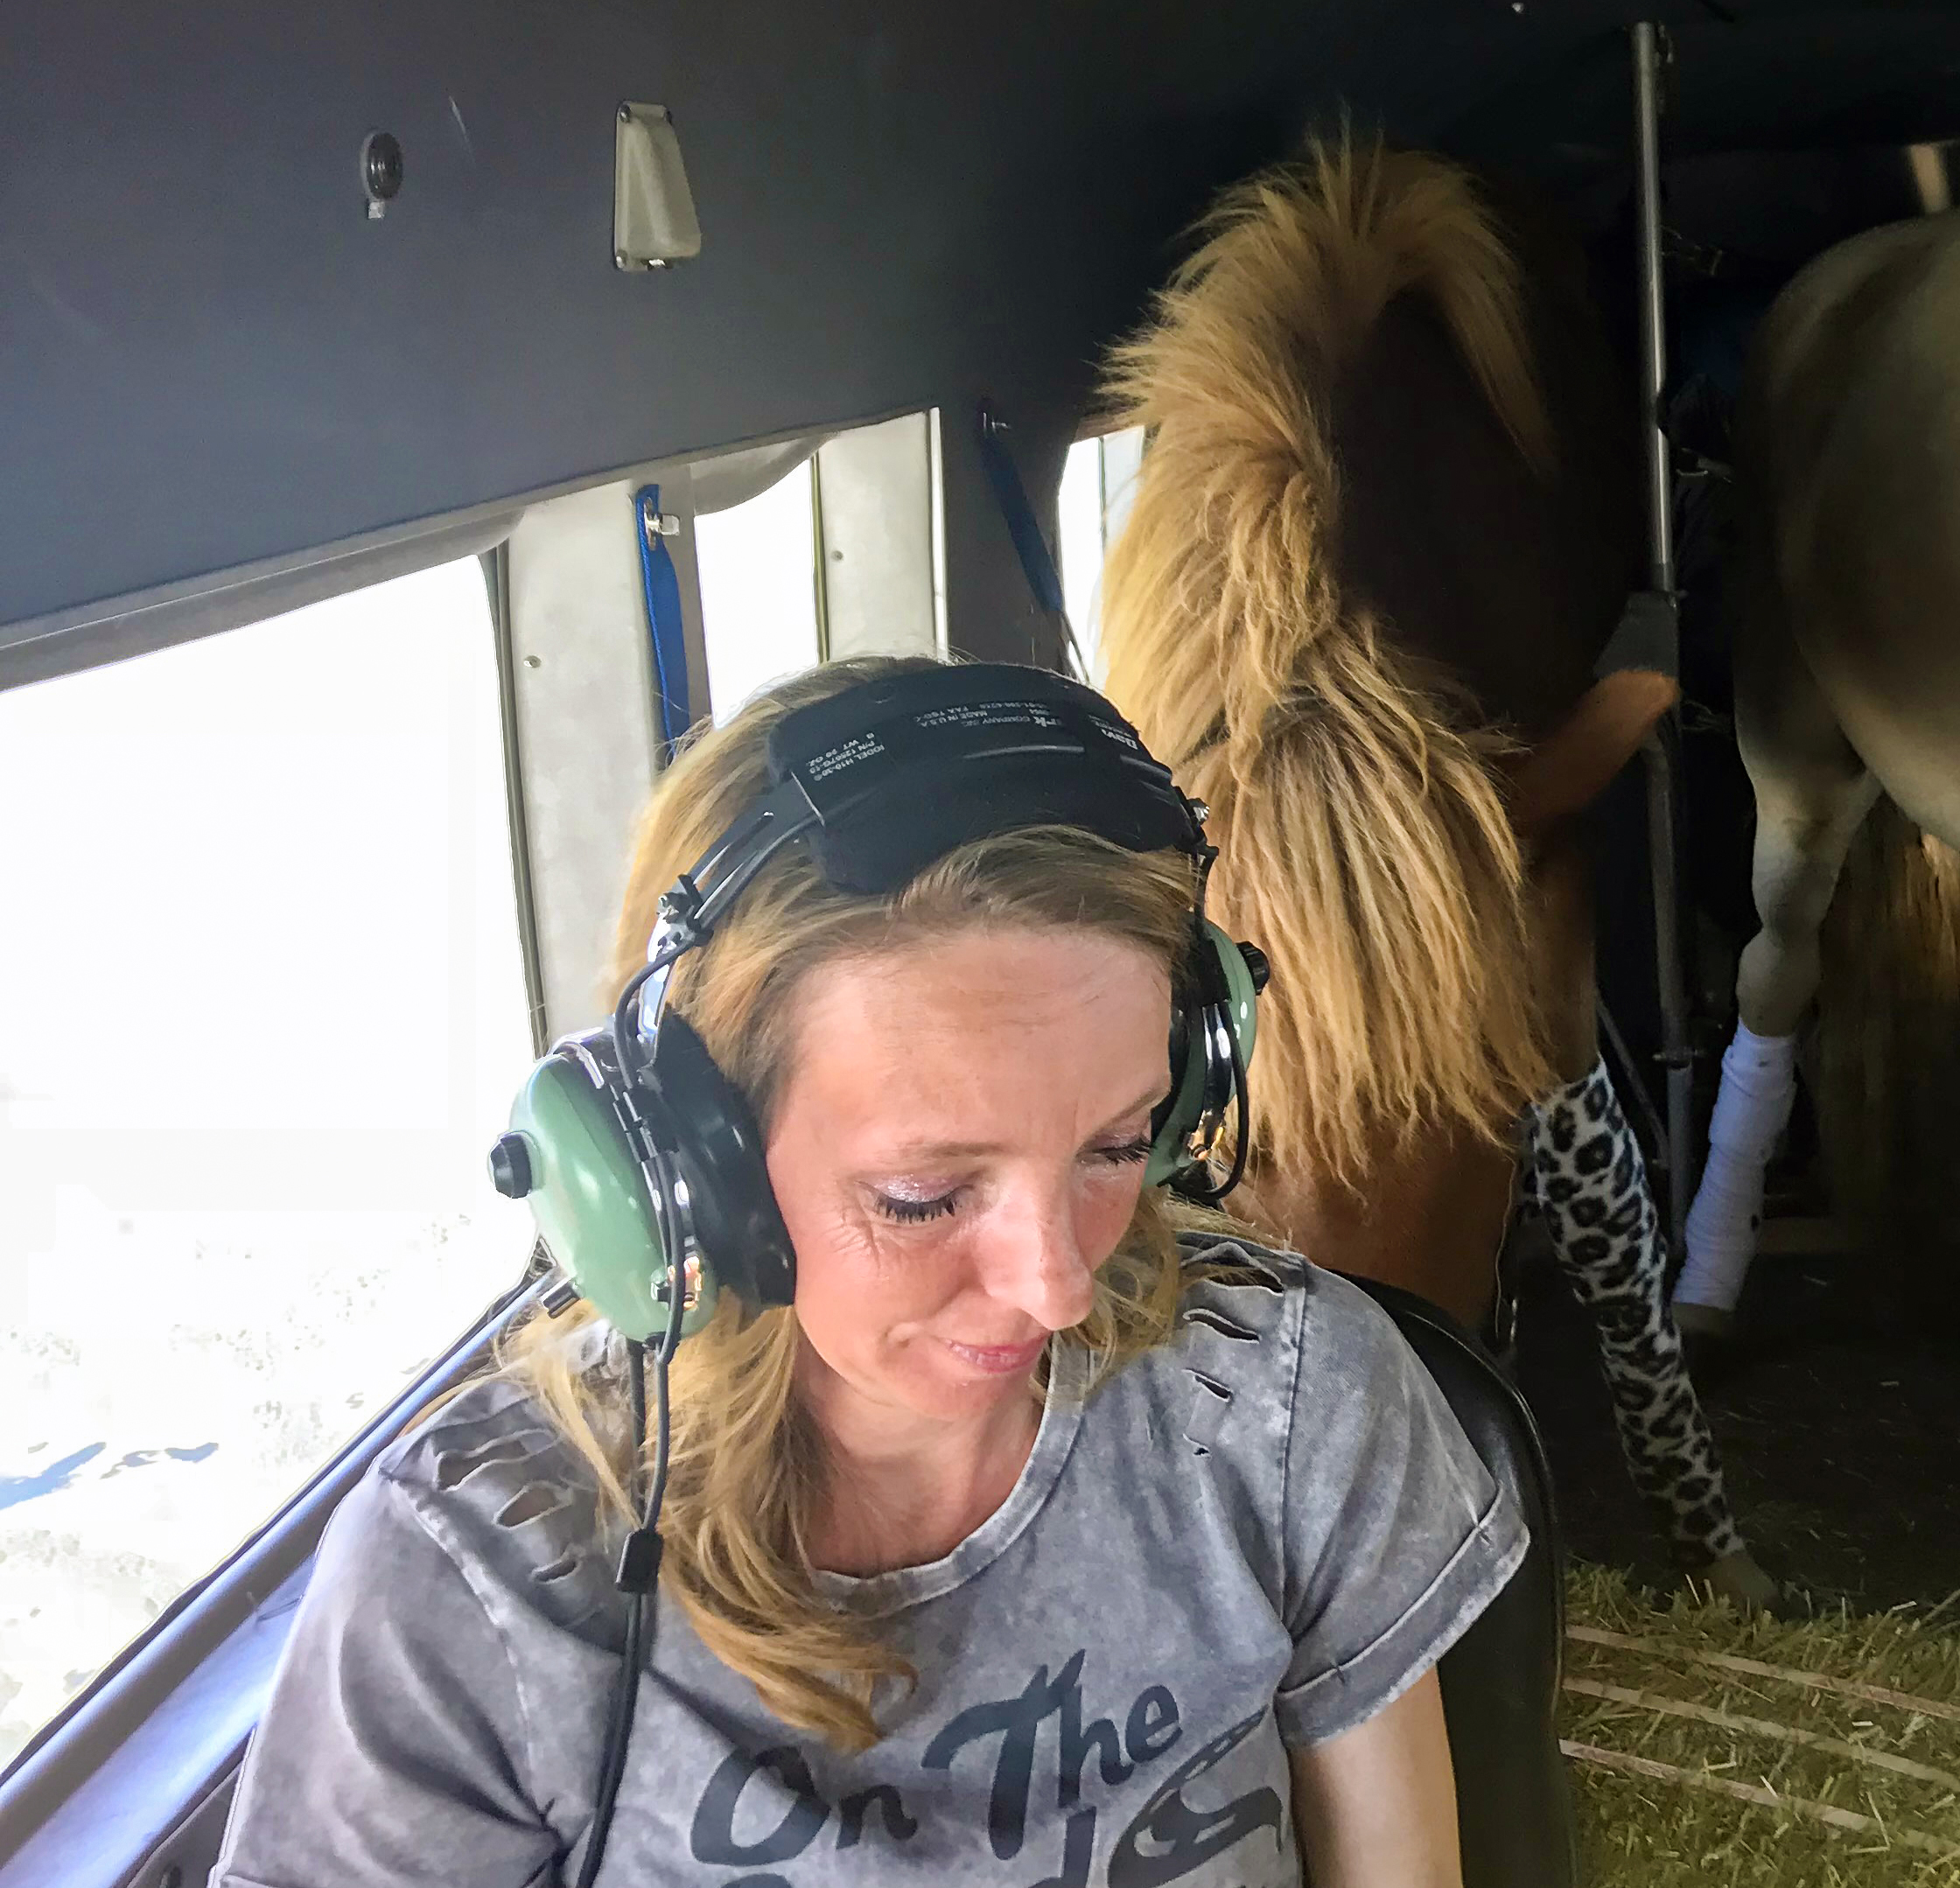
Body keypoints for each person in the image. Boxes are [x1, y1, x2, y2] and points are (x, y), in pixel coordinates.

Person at [214, 657, 1522, 1887]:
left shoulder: (1289, 1412)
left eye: (1119, 1146)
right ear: (687, 1167)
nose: (1059, 1287)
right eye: (923, 1196)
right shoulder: (467, 1589)